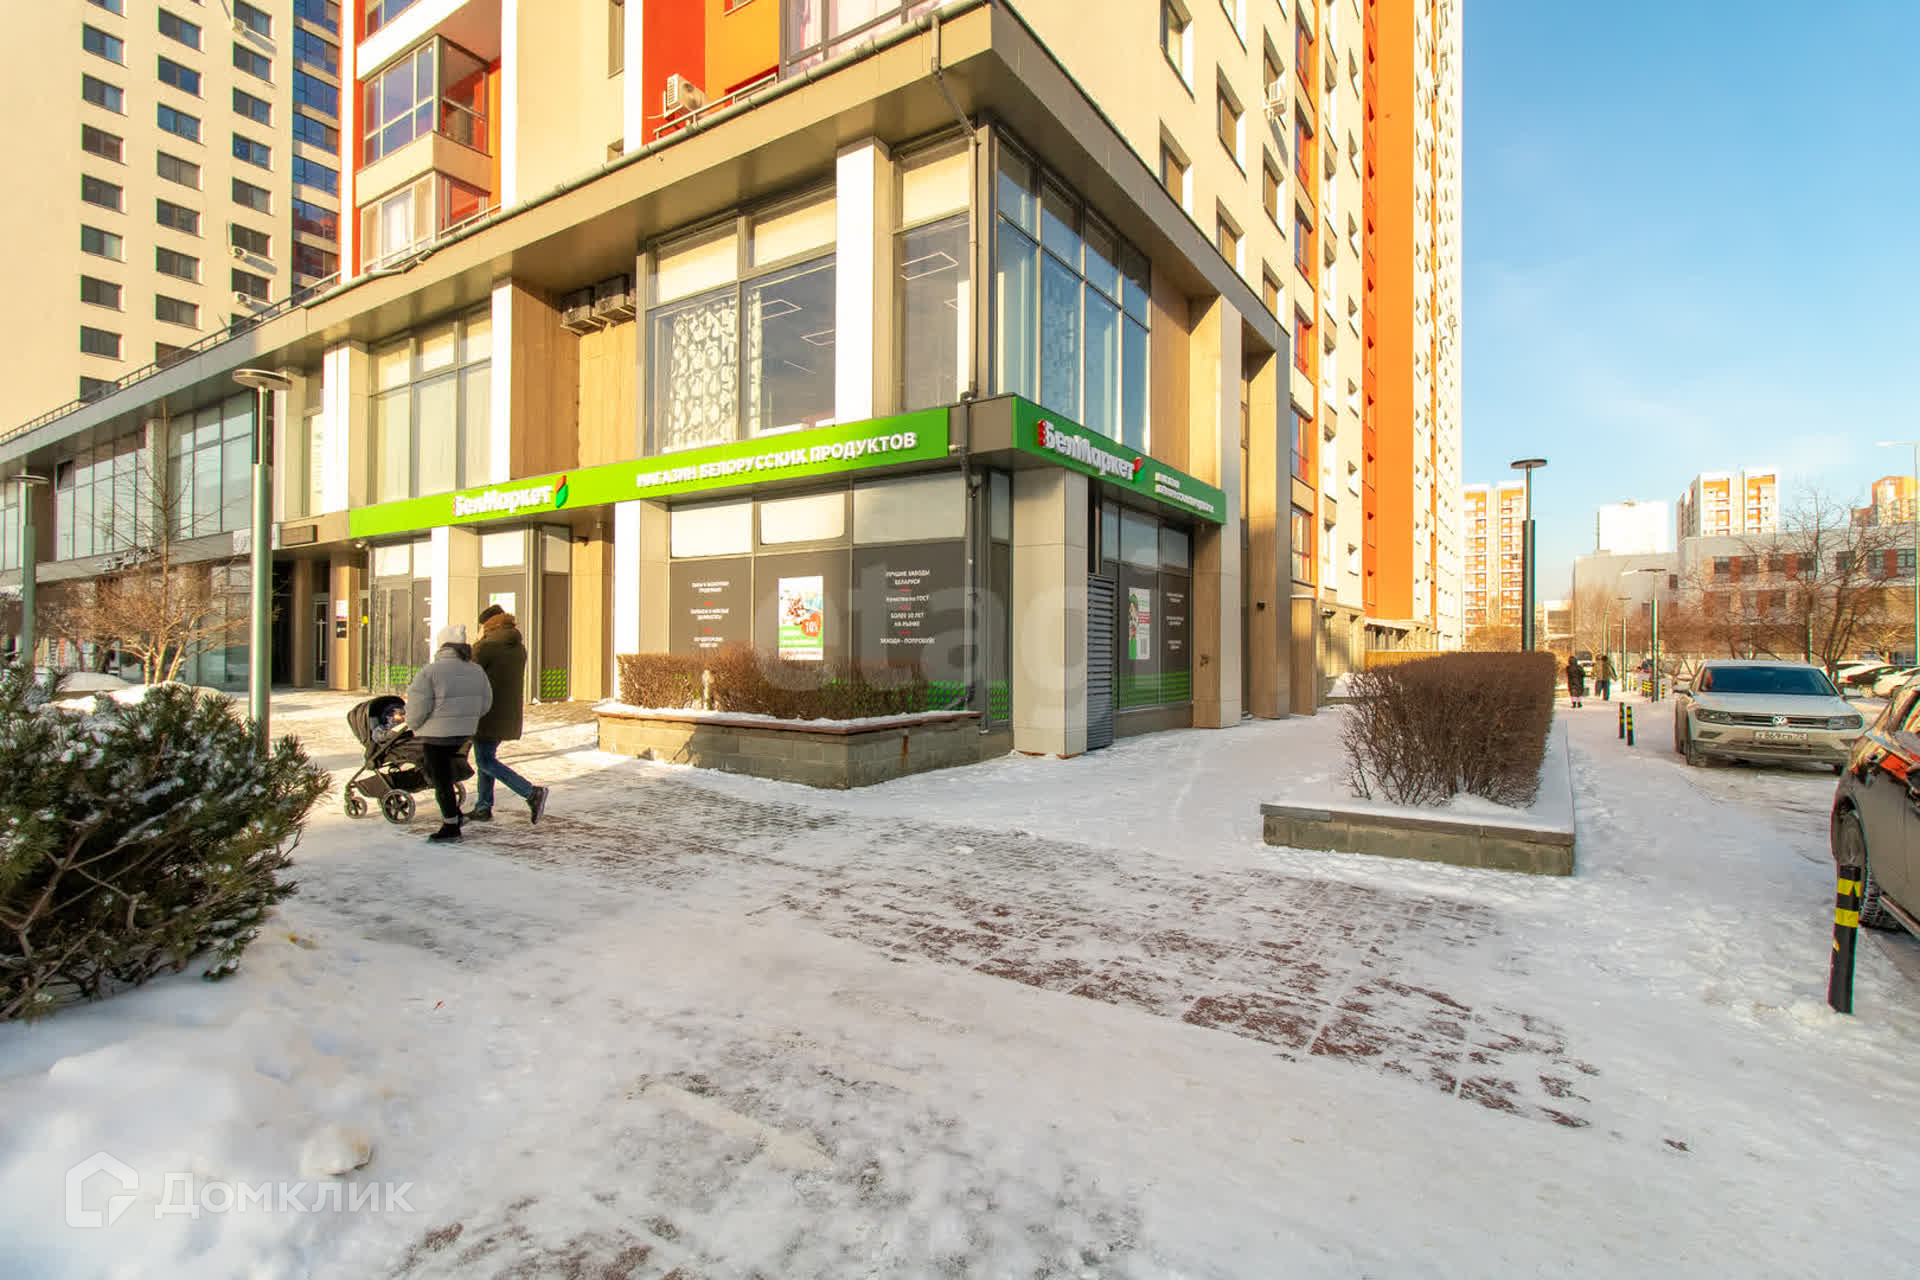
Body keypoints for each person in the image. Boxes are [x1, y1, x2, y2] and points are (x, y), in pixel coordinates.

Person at [404, 624, 493, 843]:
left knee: (441, 780)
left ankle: (451, 825)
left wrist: (413, 725)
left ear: (442, 646)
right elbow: (486, 703)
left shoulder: (430, 671)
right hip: (465, 733)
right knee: (445, 775)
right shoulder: (477, 670)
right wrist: (467, 719)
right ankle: (455, 815)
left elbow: (417, 706)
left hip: (436, 735)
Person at [465, 603, 550, 824]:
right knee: (486, 757)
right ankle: (483, 806)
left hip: (487, 712)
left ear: (487, 625)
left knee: (485, 761)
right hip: (507, 712)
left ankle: (530, 792)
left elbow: (469, 673)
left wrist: (476, 644)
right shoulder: (518, 646)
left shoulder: (485, 647)